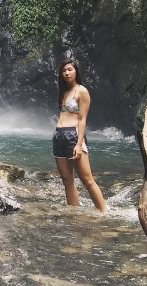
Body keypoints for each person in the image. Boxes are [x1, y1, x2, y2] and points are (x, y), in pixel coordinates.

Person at [52, 58, 106, 211]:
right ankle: (73, 213)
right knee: (67, 180)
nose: (67, 73)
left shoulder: (82, 91)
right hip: (59, 136)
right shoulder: (63, 91)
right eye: (64, 70)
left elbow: (82, 119)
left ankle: (103, 212)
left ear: (76, 71)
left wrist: (78, 144)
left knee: (87, 179)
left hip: (73, 135)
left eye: (70, 69)